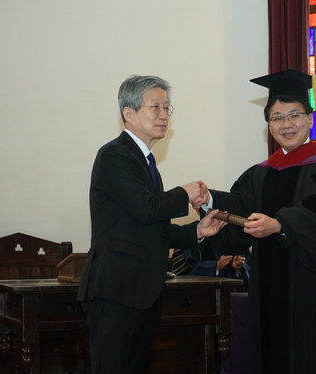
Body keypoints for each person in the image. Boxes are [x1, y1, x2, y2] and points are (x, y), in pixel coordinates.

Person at [197, 69, 316, 374]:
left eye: (294, 115)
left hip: (315, 290)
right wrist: (211, 202)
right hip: (269, 289)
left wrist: (281, 224)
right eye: (277, 117)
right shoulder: (260, 173)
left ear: (310, 118)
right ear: (268, 124)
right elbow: (241, 209)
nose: (286, 124)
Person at [76, 75, 226, 374]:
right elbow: (147, 209)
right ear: (128, 114)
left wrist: (197, 231)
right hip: (117, 289)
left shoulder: (145, 161)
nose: (163, 115)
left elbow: (155, 226)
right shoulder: (115, 155)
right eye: (155, 107)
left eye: (167, 108)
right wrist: (185, 192)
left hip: (142, 289)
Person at [170, 242, 251, 292]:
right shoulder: (189, 235)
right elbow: (183, 273)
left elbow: (250, 268)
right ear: (198, 212)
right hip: (199, 301)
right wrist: (215, 267)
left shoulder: (235, 236)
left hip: (231, 301)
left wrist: (236, 268)